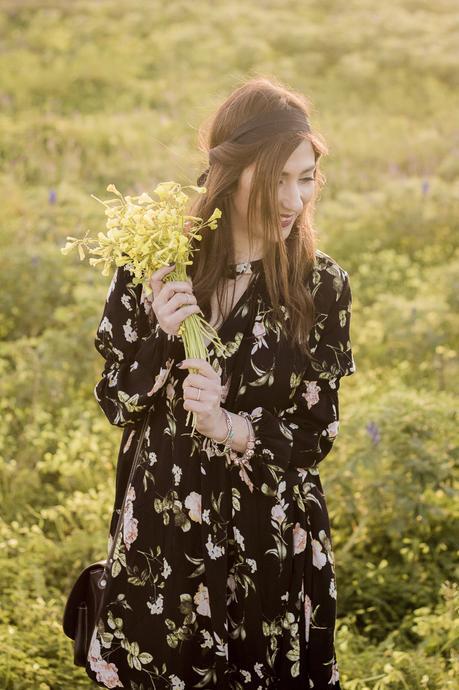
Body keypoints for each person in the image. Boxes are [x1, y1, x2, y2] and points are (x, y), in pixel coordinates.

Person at [85, 77, 356, 690]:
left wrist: (232, 428)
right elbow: (116, 400)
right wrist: (160, 337)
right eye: (277, 178)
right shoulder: (155, 263)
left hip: (269, 533)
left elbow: (316, 433)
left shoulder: (322, 286)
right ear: (230, 175)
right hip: (166, 525)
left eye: (306, 177)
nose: (294, 198)